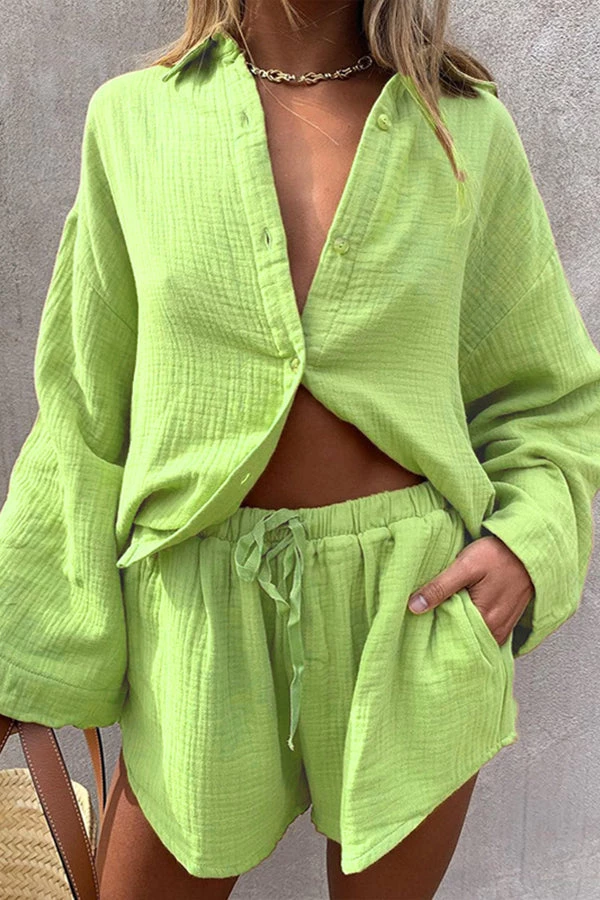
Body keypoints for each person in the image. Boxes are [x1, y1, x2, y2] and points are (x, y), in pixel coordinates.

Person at [1, 1, 599, 898]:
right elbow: (83, 414)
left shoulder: (464, 127)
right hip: (197, 609)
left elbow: (549, 392)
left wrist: (527, 544)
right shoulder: (133, 121)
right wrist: (21, 655)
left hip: (416, 609)